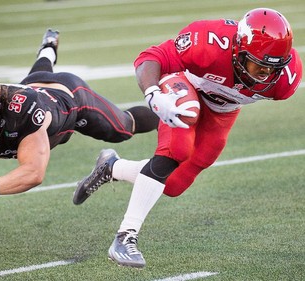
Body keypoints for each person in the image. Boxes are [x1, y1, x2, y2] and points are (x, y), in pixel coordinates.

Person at [73, 8, 303, 268]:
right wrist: (153, 93)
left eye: (272, 68)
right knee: (179, 143)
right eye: (257, 65)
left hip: (223, 110)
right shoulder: (210, 42)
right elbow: (150, 57)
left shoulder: (285, 81)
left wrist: (261, 71)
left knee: (173, 184)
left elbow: (262, 79)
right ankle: (125, 237)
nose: (264, 74)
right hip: (186, 84)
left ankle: (112, 167)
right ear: (238, 50)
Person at [0, 28, 159, 208]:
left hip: (71, 98)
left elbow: (33, 173)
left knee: (124, 127)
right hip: (32, 82)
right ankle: (48, 47)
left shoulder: (23, 113)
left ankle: (166, 113)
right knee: (40, 70)